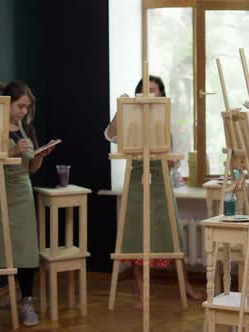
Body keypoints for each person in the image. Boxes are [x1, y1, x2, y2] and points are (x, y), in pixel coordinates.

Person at [104, 75, 202, 309]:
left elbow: (177, 157)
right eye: (144, 90)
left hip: (161, 183)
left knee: (171, 234)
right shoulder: (130, 117)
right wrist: (122, 107)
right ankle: (141, 292)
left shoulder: (167, 118)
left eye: (154, 90)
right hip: (136, 181)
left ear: (161, 94)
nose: (149, 94)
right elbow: (109, 135)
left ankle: (184, 285)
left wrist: (171, 163)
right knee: (136, 235)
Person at [0, 81, 55, 328]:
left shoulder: (27, 130)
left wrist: (39, 156)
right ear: (7, 103)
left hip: (21, 195)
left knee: (25, 251)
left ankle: (27, 303)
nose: (23, 112)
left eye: (26, 108)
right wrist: (11, 152)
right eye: (20, 106)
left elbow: (29, 169)